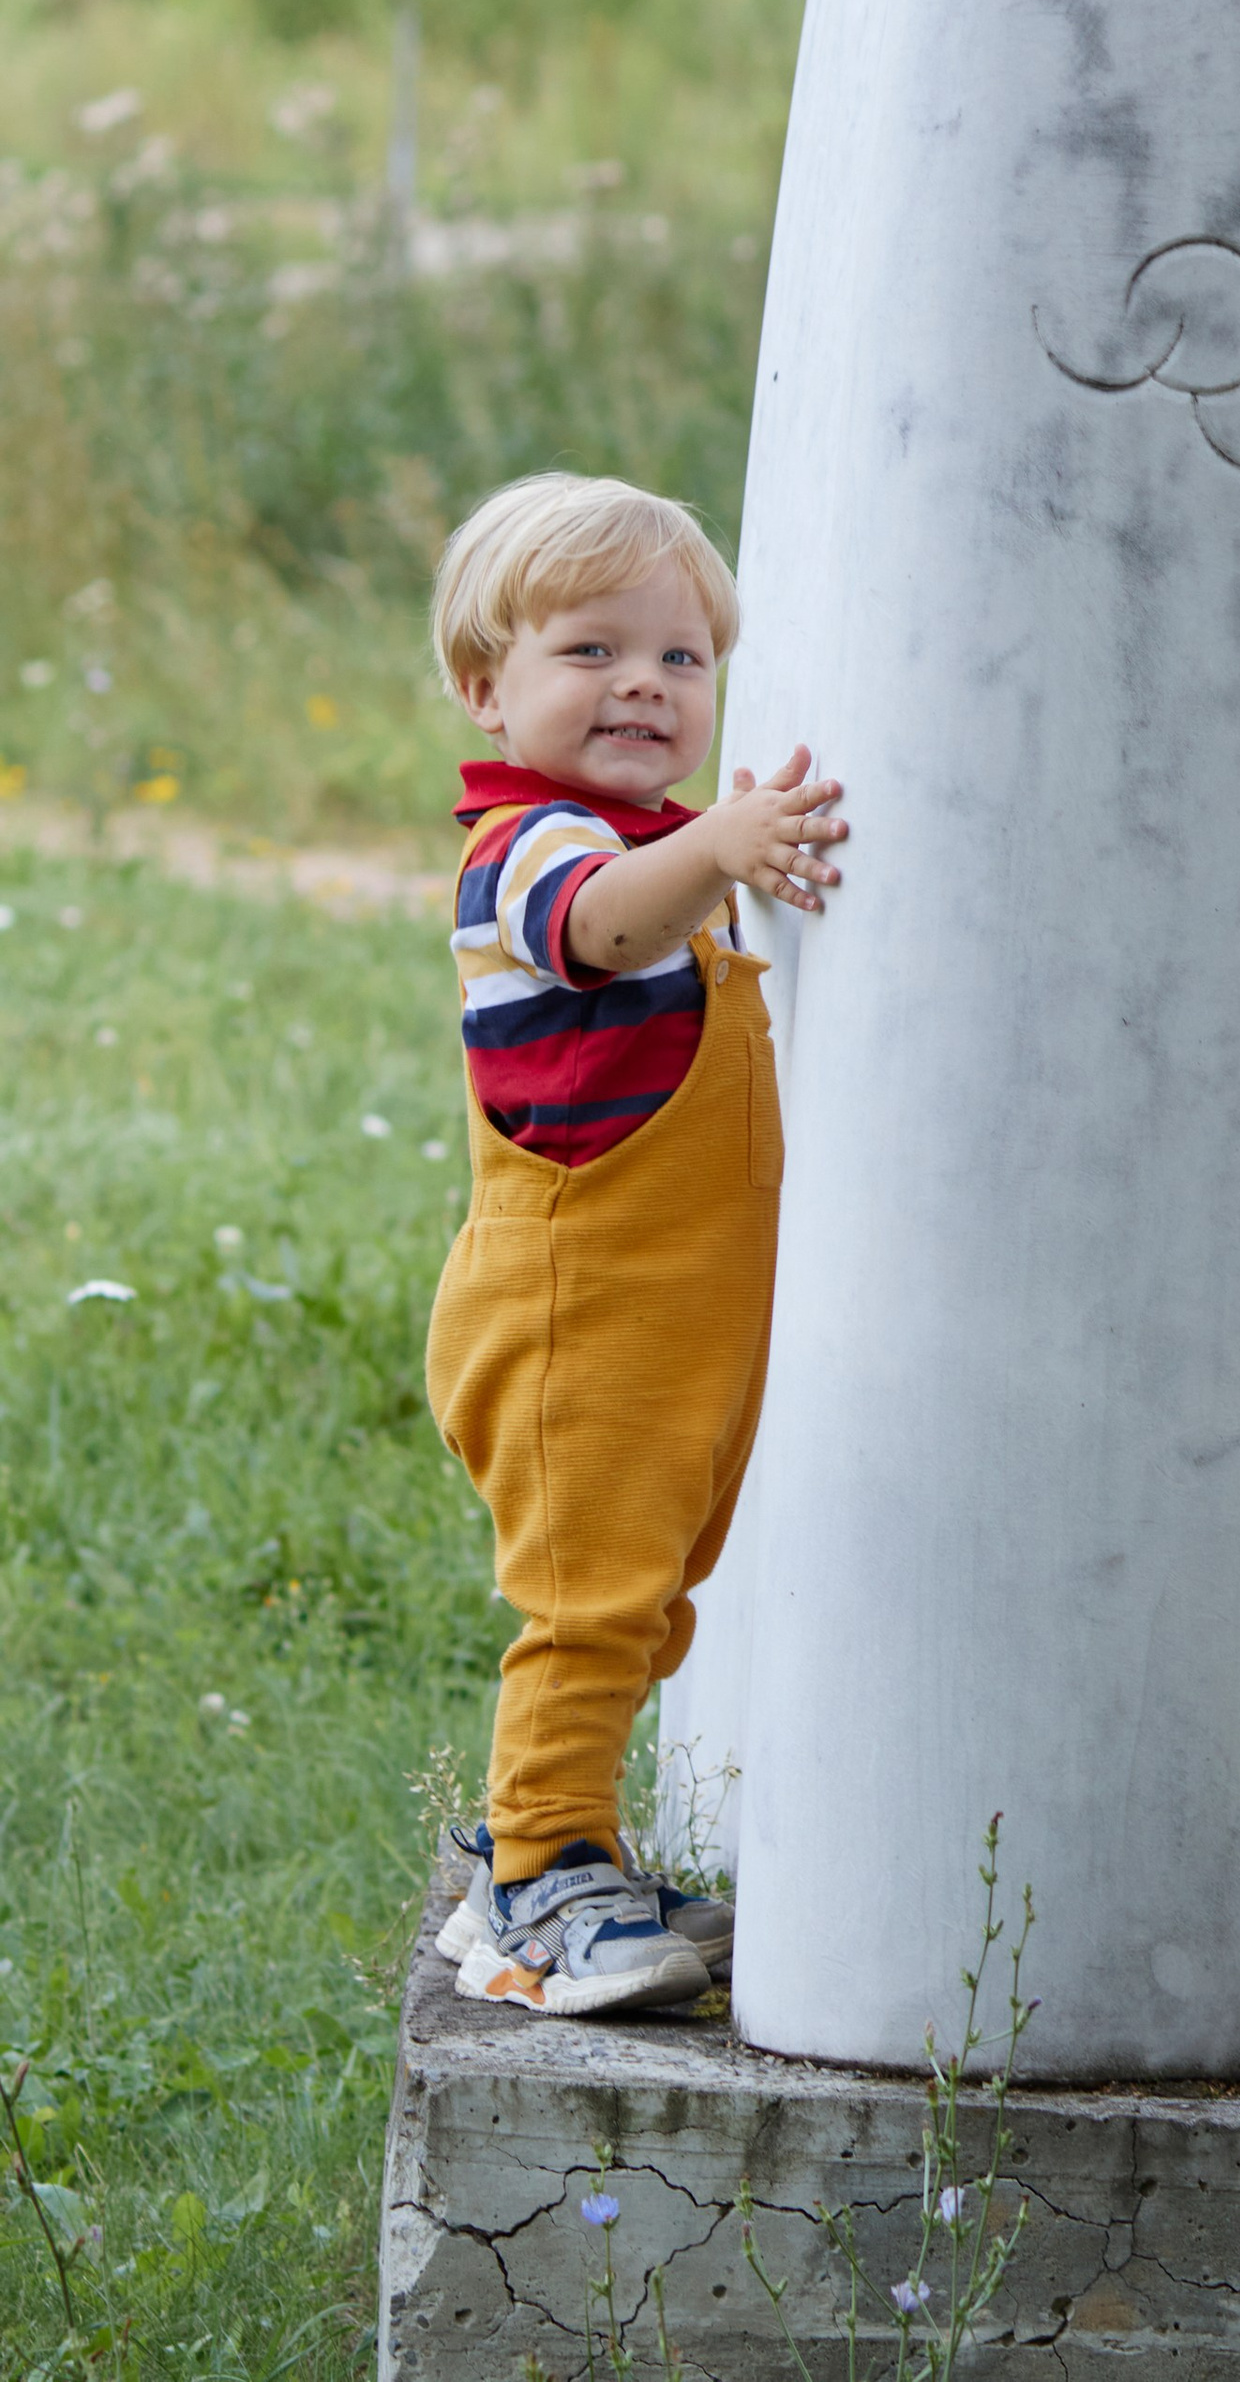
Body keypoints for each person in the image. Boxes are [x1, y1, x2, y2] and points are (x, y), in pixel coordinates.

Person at [418, 471, 844, 2016]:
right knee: (589, 1603)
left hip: (667, 1320)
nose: (645, 688)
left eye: (679, 660)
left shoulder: (659, 845)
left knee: (649, 1597)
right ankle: (540, 1881)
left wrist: (715, 851)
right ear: (488, 688)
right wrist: (730, 846)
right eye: (591, 653)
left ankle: (544, 1855)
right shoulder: (528, 848)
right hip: (571, 1316)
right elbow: (604, 926)